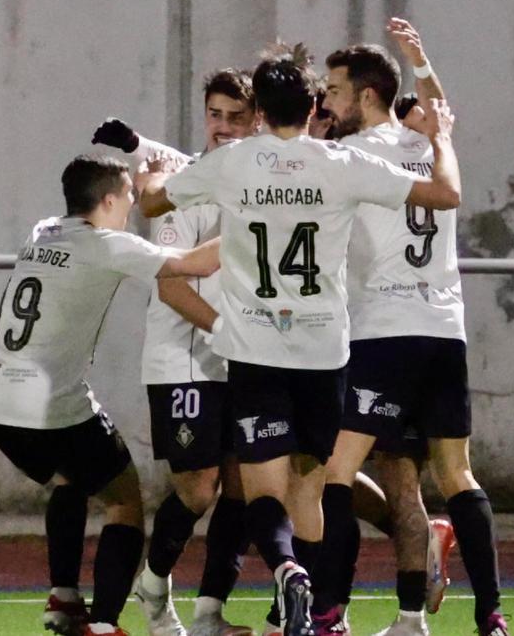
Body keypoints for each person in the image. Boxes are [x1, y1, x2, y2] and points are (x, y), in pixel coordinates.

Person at [136, 43, 463, 636]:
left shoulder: (233, 163)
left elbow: (153, 200)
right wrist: (441, 140)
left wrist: (156, 172)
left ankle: (286, 568)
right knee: (310, 485)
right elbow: (443, 196)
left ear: (257, 110)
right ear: (314, 103)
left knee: (261, 486)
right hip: (322, 352)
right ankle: (310, 616)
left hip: (256, 349)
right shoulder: (339, 162)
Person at [314, 19, 507, 636]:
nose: (327, 101)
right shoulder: (430, 144)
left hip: (384, 335)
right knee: (457, 478)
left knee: (337, 475)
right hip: (444, 332)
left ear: (367, 96)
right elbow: (440, 111)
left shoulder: (348, 156)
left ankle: (327, 611)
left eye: (336, 90)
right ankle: (483, 616)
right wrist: (420, 59)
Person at [0, 154, 221, 636]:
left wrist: (148, 180)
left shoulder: (43, 230)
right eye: (127, 194)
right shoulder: (106, 245)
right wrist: (262, 216)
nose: (132, 202)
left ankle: (64, 598)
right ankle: (105, 624)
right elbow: (195, 263)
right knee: (126, 498)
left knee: (73, 478)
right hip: (49, 405)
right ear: (108, 200)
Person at [91, 68, 260, 636]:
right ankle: (154, 584)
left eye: (237, 116)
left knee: (242, 488)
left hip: (242, 355)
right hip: (185, 355)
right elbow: (169, 281)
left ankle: (211, 612)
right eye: (216, 114)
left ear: (257, 119)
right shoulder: (181, 184)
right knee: (198, 489)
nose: (225, 127)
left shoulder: (260, 178)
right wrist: (227, 331)